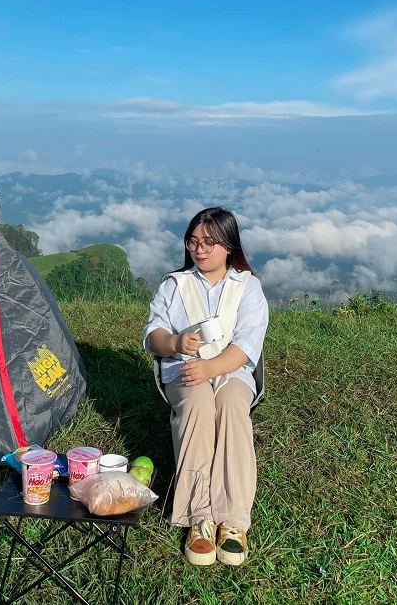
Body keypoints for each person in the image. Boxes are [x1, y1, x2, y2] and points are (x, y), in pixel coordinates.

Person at [144, 207, 269, 567]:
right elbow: (153, 335)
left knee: (231, 405)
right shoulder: (175, 284)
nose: (200, 250)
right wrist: (175, 343)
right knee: (198, 404)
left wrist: (212, 368)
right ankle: (199, 515)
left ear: (229, 246)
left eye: (210, 243)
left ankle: (233, 520)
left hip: (231, 372)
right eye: (194, 242)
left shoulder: (248, 287)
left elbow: (247, 346)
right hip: (184, 372)